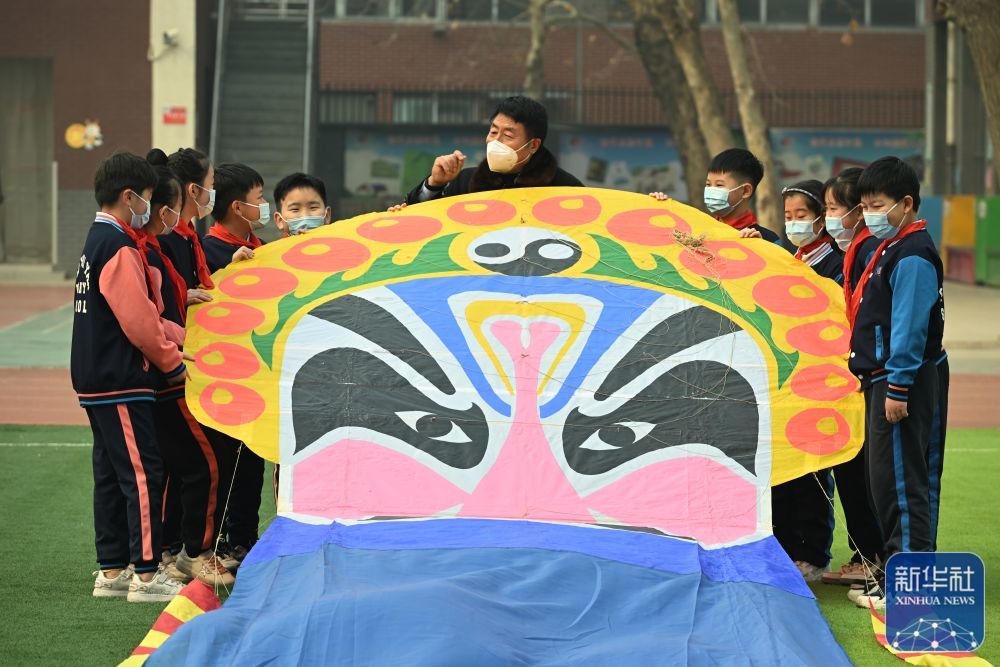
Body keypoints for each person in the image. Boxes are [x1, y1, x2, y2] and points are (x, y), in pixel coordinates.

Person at [71, 151, 187, 602]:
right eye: (149, 198)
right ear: (129, 196)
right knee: (143, 473)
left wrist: (174, 336)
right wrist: (171, 361)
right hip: (120, 377)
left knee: (110, 473)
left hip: (95, 377)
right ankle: (144, 574)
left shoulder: (96, 238)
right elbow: (139, 322)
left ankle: (112, 569)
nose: (150, 208)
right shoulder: (118, 245)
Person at [848, 156, 946, 610]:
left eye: (878, 204)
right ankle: (894, 572)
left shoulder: (914, 254)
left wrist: (899, 386)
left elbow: (909, 326)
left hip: (900, 379)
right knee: (884, 483)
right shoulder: (891, 246)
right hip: (881, 375)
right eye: (865, 204)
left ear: (905, 204)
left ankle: (910, 582)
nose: (869, 213)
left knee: (904, 485)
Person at [144, 149, 236, 587]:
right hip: (170, 367)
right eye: (210, 183)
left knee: (184, 466)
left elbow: (192, 288)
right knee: (197, 464)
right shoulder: (161, 240)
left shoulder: (184, 238)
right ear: (192, 191)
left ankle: (168, 553)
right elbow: (153, 307)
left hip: (184, 363)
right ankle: (185, 552)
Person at [815, 169, 885, 589]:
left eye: (832, 209)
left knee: (866, 477)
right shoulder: (855, 250)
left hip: (869, 380)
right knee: (852, 475)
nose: (826, 218)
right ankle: (865, 556)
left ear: (857, 211)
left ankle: (876, 559)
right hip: (851, 377)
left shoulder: (872, 252)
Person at [770, 180, 839, 582]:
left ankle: (813, 551)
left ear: (822, 219)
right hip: (789, 380)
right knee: (786, 468)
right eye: (789, 217)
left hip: (821, 381)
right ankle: (785, 545)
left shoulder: (832, 261)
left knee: (814, 471)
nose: (794, 223)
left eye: (803, 216)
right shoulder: (790, 257)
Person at [201, 162, 267, 565]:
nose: (264, 205)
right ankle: (219, 542)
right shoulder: (209, 251)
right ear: (238, 206)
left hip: (258, 376)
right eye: (260, 198)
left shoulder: (264, 250)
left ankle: (244, 538)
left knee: (252, 465)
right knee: (225, 464)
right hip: (222, 376)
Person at [402, 95, 581, 205]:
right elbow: (423, 224)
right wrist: (434, 184)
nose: (495, 141)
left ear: (533, 145)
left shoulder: (566, 189)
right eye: (493, 131)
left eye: (508, 136)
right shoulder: (465, 182)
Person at [162, 148, 216, 303]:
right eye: (211, 185)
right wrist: (180, 297)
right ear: (194, 190)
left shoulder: (192, 237)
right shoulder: (164, 238)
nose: (213, 193)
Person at [273, 172, 332, 237]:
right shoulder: (275, 247)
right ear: (280, 220)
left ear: (327, 216)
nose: (305, 216)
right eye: (295, 209)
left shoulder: (340, 245)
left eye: (313, 207)